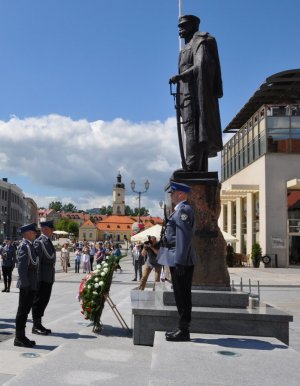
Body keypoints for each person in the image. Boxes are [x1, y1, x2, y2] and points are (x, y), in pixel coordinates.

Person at [169, 15, 223, 172]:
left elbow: (203, 65)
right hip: (185, 97)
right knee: (190, 130)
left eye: (184, 26)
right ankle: (195, 166)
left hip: (196, 97)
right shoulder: (185, 48)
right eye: (179, 26)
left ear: (193, 26)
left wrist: (181, 75)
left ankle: (192, 167)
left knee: (195, 130)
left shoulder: (201, 42)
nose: (180, 29)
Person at [158, 181, 196, 342]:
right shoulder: (179, 210)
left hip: (181, 259)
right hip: (176, 257)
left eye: (173, 193)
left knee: (183, 294)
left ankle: (184, 330)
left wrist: (179, 261)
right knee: (179, 294)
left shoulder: (184, 210)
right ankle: (181, 327)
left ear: (181, 194)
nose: (171, 196)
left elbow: (183, 237)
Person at [14, 223, 39, 348]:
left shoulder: (30, 245)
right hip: (26, 284)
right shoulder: (24, 246)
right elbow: (22, 268)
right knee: (22, 311)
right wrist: (26, 285)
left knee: (25, 312)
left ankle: (22, 336)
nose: (35, 234)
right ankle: (19, 337)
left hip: (31, 283)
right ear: (28, 233)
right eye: (34, 232)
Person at [32, 220, 56, 336]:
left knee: (44, 301)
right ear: (45, 229)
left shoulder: (47, 241)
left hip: (48, 277)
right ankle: (35, 326)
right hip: (41, 278)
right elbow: (37, 263)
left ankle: (39, 323)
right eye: (51, 229)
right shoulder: (39, 242)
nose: (52, 231)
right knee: (38, 301)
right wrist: (38, 279)